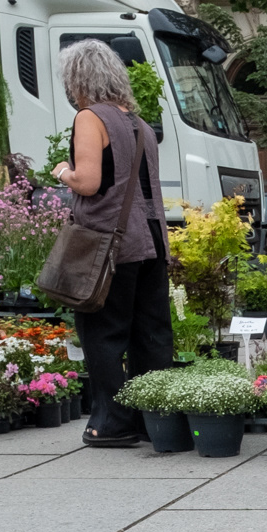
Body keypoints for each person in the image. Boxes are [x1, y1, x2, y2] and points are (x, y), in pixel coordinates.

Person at [51, 40, 173, 446]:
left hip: (111, 242)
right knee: (150, 332)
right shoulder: (138, 122)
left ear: (77, 79)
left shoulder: (91, 117)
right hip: (152, 238)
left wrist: (63, 171)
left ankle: (113, 420)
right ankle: (152, 417)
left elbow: (88, 181)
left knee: (102, 330)